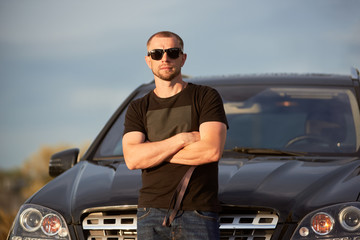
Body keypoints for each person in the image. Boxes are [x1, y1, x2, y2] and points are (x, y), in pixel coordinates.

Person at [122, 31, 228, 240]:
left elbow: (212, 150)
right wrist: (181, 139)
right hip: (149, 213)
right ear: (148, 60)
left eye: (172, 52)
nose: (165, 58)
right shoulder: (138, 107)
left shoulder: (205, 96)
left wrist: (153, 150)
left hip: (198, 212)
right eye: (157, 53)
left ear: (183, 58)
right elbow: (133, 159)